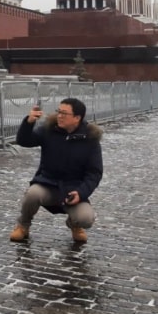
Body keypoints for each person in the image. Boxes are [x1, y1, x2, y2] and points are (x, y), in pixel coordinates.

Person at [9, 98, 103, 244]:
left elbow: (94, 173)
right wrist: (29, 122)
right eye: (59, 111)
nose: (59, 116)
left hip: (73, 190)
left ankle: (74, 225)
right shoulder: (49, 130)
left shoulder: (90, 138)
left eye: (64, 113)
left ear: (77, 118)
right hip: (48, 183)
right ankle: (23, 225)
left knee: (86, 219)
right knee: (32, 194)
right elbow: (24, 141)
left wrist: (81, 193)